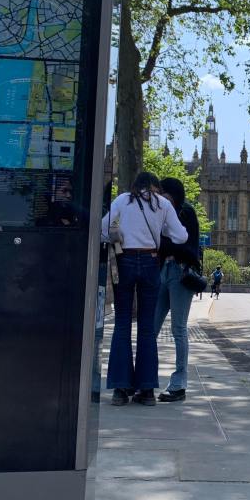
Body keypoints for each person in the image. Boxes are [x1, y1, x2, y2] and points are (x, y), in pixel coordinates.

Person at [101, 171, 188, 406]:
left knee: (122, 324)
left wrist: (120, 234)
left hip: (125, 261)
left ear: (136, 185)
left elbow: (103, 229)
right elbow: (181, 236)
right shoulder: (162, 204)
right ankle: (147, 390)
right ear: (155, 186)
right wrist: (162, 230)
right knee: (147, 327)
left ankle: (121, 389)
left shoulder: (123, 200)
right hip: (151, 261)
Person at [153, 177, 200, 403]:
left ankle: (179, 385)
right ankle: (145, 380)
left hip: (181, 272)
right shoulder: (160, 212)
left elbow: (189, 249)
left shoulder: (186, 212)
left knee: (178, 329)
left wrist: (163, 244)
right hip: (163, 272)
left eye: (163, 194)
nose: (159, 198)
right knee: (150, 328)